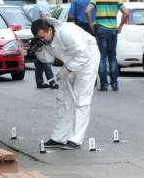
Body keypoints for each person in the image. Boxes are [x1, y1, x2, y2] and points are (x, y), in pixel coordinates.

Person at [31, 18, 100, 150]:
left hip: (88, 61)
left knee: (81, 100)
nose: (43, 40)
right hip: (70, 63)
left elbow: (84, 55)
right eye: (40, 38)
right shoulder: (47, 40)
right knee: (63, 99)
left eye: (43, 37)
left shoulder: (66, 32)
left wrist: (68, 69)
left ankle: (76, 139)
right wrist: (39, 50)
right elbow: (48, 59)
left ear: (49, 30)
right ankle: (59, 137)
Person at [85, 0, 128, 91]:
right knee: (112, 57)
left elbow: (87, 11)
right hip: (113, 29)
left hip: (100, 29)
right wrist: (120, 26)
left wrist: (91, 24)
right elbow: (126, 12)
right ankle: (114, 84)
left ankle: (104, 84)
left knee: (102, 57)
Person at [28, 0, 58, 89]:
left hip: (37, 32)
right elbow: (44, 18)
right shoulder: (44, 4)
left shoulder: (37, 4)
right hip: (43, 33)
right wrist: (48, 32)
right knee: (46, 58)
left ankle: (39, 82)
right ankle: (52, 82)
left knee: (39, 59)